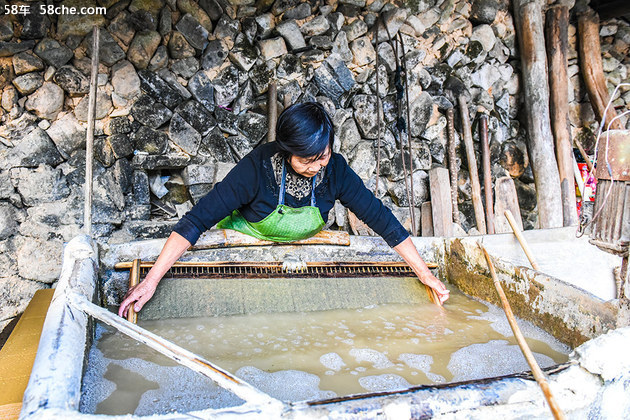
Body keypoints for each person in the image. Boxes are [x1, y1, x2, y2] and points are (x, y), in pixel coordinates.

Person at [118, 102, 449, 318]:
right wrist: (149, 282)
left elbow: (381, 219)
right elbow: (195, 221)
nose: (318, 166)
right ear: (287, 152)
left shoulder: (334, 170)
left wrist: (424, 273)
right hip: (244, 245)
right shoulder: (256, 170)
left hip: (301, 254)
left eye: (324, 155)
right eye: (307, 160)